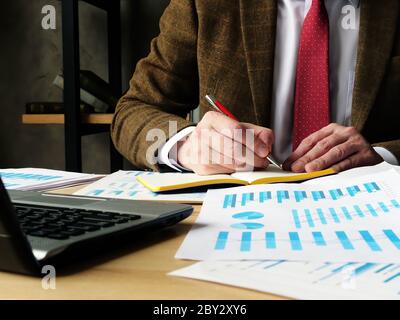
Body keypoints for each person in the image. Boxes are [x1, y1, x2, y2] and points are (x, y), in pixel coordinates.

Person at [111, 0, 400, 175]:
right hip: (235, 216)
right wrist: (187, 146)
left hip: (371, 214)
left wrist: (384, 157)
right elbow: (133, 111)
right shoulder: (206, 4)